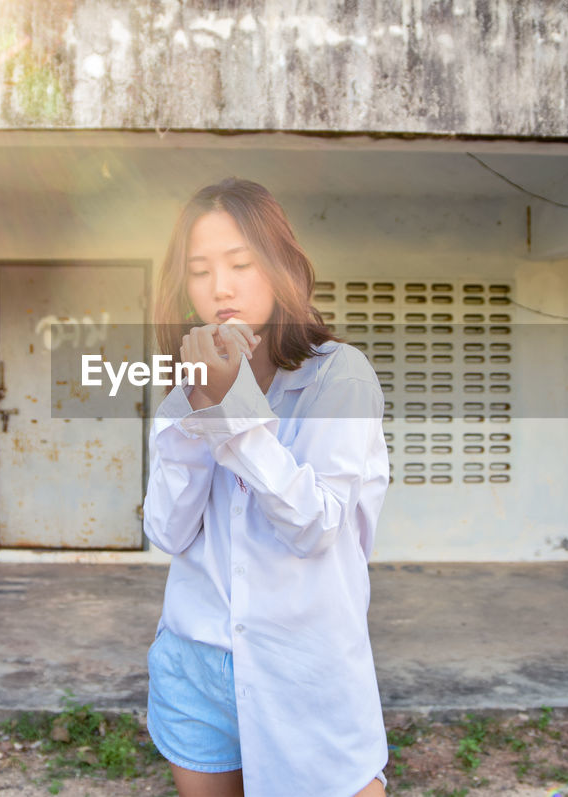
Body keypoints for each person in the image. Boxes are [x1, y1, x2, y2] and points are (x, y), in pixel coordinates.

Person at [143, 177, 391, 797]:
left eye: (240, 263)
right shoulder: (185, 390)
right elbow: (167, 530)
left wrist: (232, 415)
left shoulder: (340, 377)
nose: (219, 287)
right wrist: (196, 409)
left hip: (305, 663)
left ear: (279, 266)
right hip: (195, 662)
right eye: (199, 270)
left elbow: (316, 525)